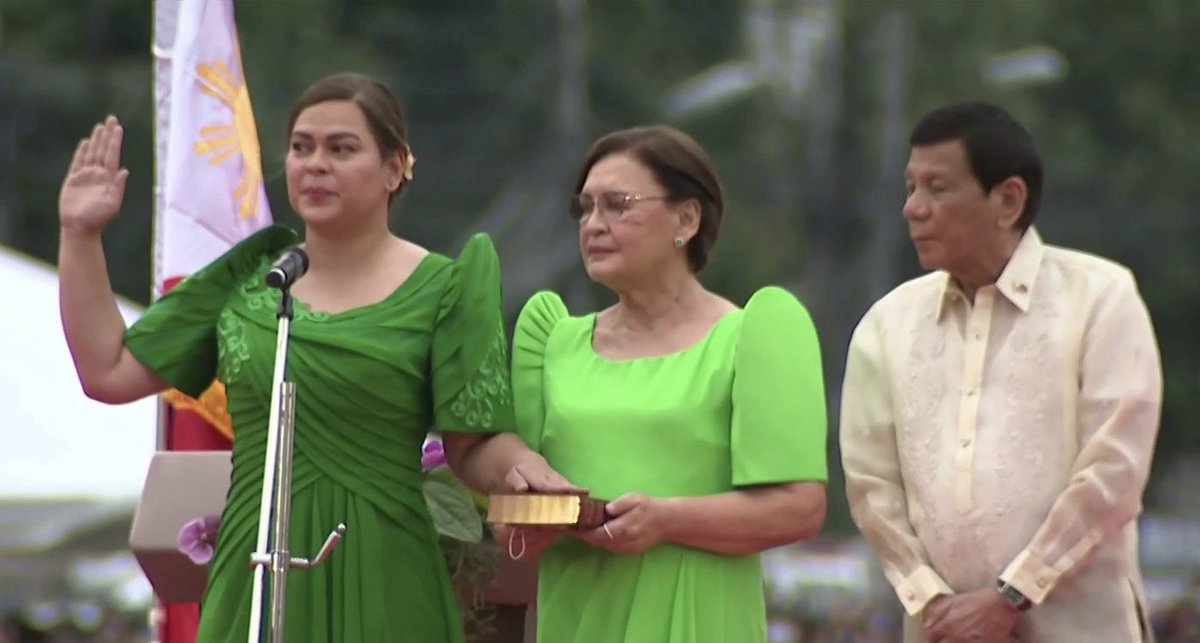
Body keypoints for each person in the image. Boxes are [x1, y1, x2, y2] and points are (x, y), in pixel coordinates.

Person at [57, 72, 575, 642]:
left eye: (341, 148)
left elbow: (474, 443)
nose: (315, 164)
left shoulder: (446, 289)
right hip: (255, 566)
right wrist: (80, 236)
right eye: (302, 147)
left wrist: (523, 470)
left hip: (385, 570)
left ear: (395, 167)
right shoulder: (253, 277)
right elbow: (107, 371)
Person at [840, 101, 1162, 642]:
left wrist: (1012, 595)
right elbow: (872, 486)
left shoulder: (1101, 299)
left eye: (937, 189)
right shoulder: (886, 325)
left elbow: (1114, 473)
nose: (912, 209)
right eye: (910, 187)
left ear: (1008, 199)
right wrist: (932, 600)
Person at [502, 125, 829, 642]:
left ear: (687, 218)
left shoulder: (753, 336)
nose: (593, 225)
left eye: (617, 205)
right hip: (579, 618)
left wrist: (667, 520)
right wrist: (531, 520)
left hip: (699, 620)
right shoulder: (549, 342)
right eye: (584, 209)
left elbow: (799, 508)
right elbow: (510, 519)